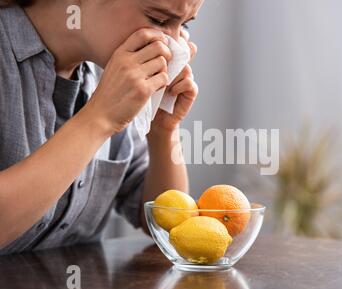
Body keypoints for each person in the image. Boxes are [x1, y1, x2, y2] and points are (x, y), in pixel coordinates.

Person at [0, 0, 204, 254]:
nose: (174, 46)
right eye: (158, 20)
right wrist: (99, 119)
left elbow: (165, 220)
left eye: (183, 25)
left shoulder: (112, 75)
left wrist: (163, 129)